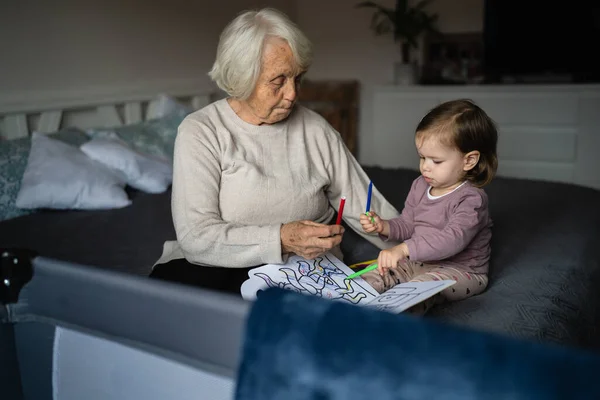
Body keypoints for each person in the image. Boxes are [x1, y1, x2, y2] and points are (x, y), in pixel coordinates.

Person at [150, 8, 400, 294]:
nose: (293, 94)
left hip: (304, 268)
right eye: (278, 80)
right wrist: (281, 238)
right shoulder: (201, 131)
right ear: (242, 77)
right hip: (215, 264)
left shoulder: (316, 130)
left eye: (298, 78)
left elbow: (369, 209)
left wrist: (422, 248)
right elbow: (197, 238)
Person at [359, 99, 498, 313]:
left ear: (468, 161)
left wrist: (404, 248)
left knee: (415, 293)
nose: (425, 167)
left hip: (460, 271)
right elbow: (408, 224)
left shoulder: (472, 200)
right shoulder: (419, 185)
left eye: (436, 161)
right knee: (371, 276)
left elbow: (452, 240)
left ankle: (393, 330)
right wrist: (383, 226)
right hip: (418, 261)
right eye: (422, 157)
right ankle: (347, 308)